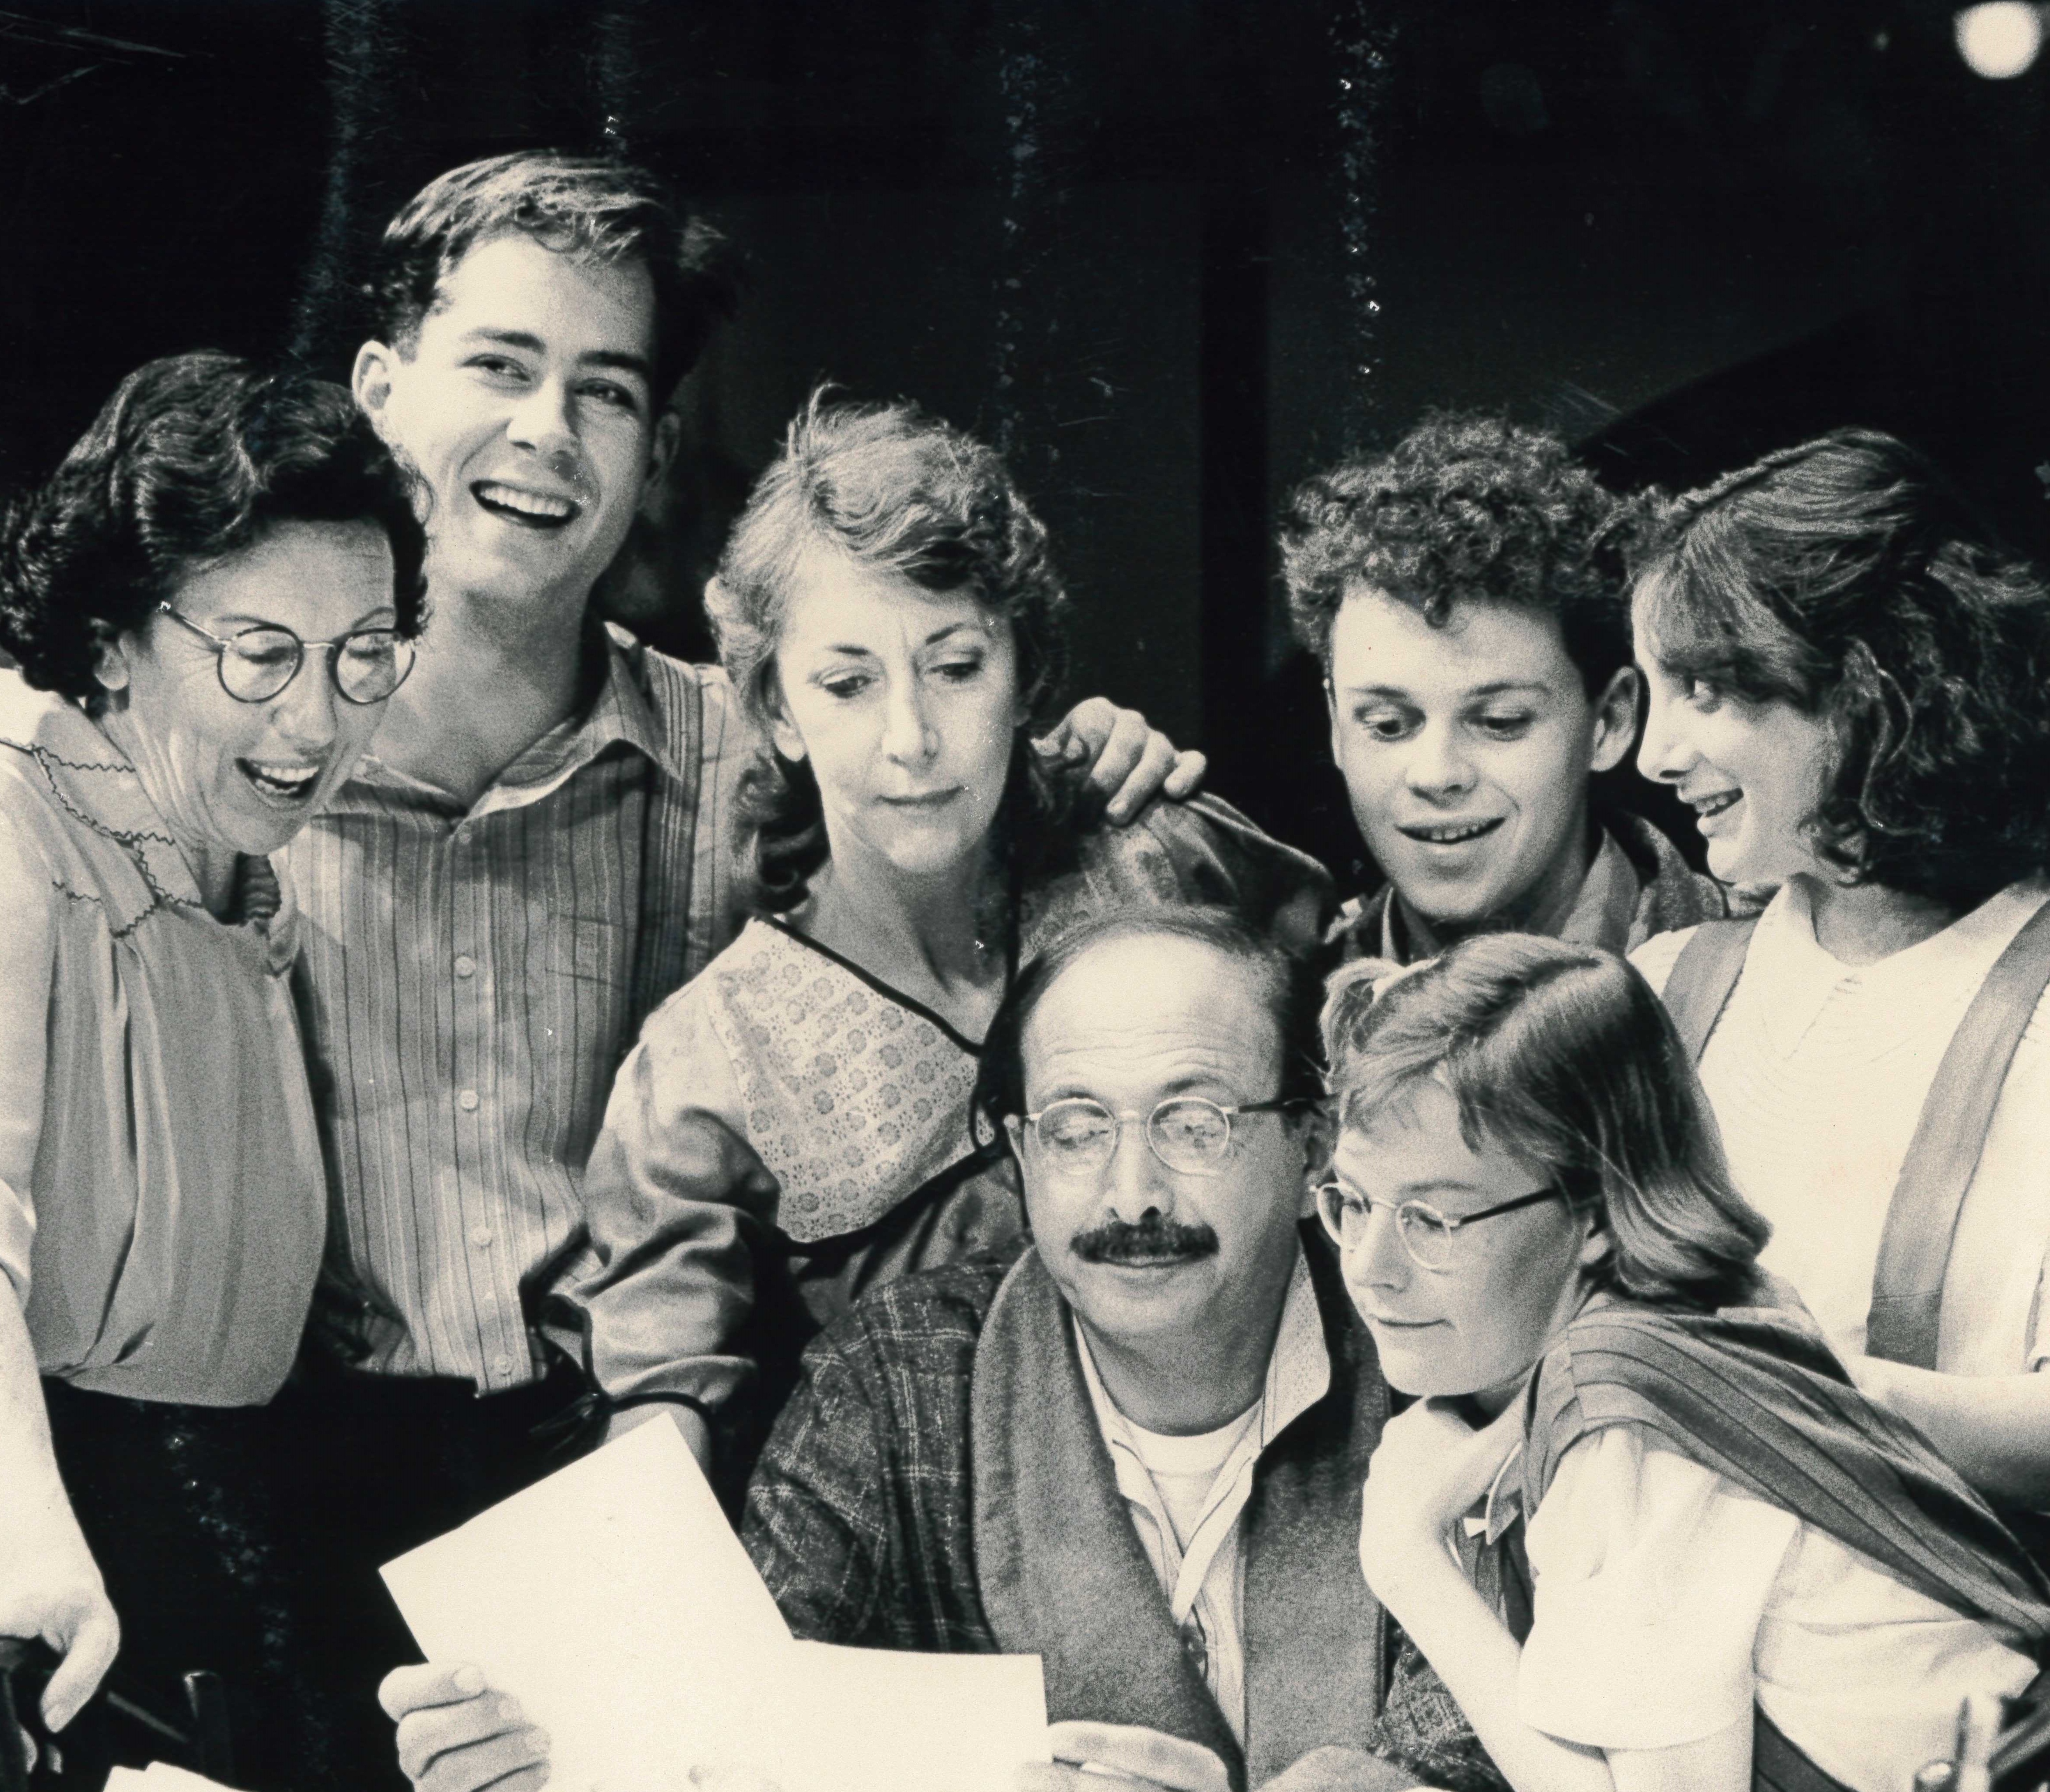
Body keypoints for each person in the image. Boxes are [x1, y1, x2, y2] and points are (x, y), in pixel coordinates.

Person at [274, 153, 1202, 1792]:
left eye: (606, 390)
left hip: (680, 1473)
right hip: (327, 1495)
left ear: (649, 446)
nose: (547, 431)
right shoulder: (255, 773)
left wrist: (1087, 772)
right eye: (499, 364)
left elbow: (931, 763)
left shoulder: (746, 745)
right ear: (378, 387)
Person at [382, 909, 1500, 1792]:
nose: (1131, 1191)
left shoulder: (1425, 1356)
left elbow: (1481, 1735)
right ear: (1015, 1150)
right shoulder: (903, 1376)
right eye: (1072, 1129)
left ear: (1311, 1145)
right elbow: (736, 1731)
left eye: (1192, 1123)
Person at [569, 396, 1332, 1488]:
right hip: (924, 1598)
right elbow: (663, 1406)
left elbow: (1364, 1022)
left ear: (1027, 671)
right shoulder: (708, 1063)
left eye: (957, 665)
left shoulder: (1154, 858)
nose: (911, 739)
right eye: (847, 682)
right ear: (777, 710)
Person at [1322, 935, 2047, 1792]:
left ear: (1589, 1212)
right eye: (1350, 1201)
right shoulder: (1691, 1327)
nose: (1371, 1270)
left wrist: (1404, 1558)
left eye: (1432, 1218)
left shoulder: (1624, 1409)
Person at [0, 351, 426, 1792]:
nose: (317, 721)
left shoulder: (241, 864)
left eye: (364, 653)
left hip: (214, 1554)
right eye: (261, 654)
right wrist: (21, 1534)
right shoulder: (12, 811)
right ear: (116, 637)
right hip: (51, 1547)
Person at [1627, 429, 2050, 1515]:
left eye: (1705, 690)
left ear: (1866, 688)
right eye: (1651, 692)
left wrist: (1816, 1398)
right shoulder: (1661, 994)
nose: (1653, 754)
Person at [1277, 413, 1724, 965]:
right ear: (1335, 724)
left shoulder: (1764, 984)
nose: (1437, 775)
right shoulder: (1272, 1016)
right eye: (1388, 725)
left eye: (1501, 722)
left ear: (1610, 720)